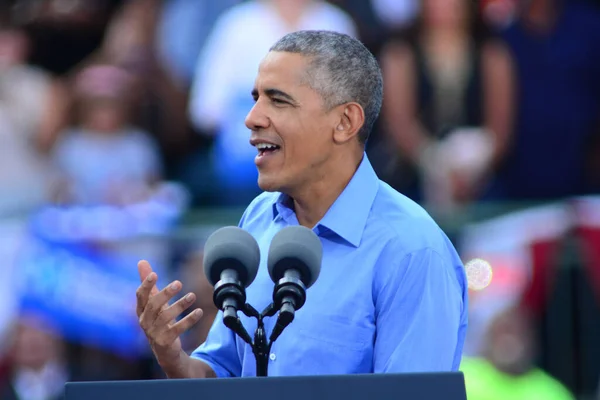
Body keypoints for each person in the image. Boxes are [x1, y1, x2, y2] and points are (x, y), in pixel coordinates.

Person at [136, 30, 468, 378]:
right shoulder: (259, 218)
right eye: (256, 98)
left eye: (277, 100)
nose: (252, 118)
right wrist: (174, 358)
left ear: (345, 122)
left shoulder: (412, 250)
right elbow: (223, 372)